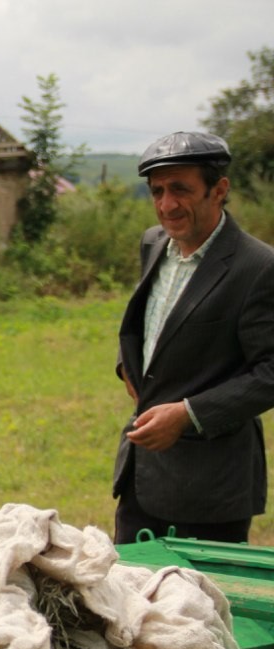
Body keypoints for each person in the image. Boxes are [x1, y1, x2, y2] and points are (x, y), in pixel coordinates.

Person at [113, 130, 274, 544]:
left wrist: (187, 414)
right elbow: (147, 323)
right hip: (140, 476)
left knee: (200, 607)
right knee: (128, 600)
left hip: (211, 489)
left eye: (181, 190)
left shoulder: (258, 267)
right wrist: (127, 367)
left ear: (219, 190)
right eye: (157, 191)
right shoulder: (153, 243)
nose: (167, 205)